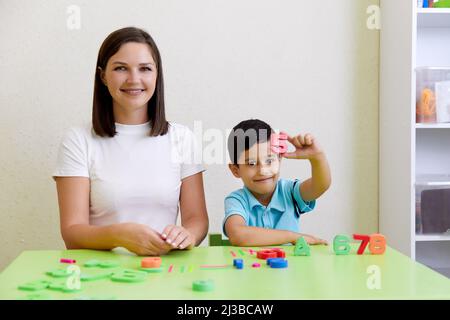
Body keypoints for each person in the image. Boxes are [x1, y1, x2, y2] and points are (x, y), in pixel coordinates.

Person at [53, 27, 208, 256]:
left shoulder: (182, 138)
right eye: (120, 68)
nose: (134, 79)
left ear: (157, 75)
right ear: (103, 76)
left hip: (166, 273)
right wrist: (119, 235)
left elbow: (196, 220)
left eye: (145, 68)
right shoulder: (78, 140)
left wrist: (188, 235)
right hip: (99, 276)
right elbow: (72, 233)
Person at [223, 119, 331, 246]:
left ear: (279, 159)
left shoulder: (289, 191)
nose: (263, 171)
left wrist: (317, 157)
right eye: (251, 163)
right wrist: (292, 237)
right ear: (236, 170)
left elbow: (320, 185)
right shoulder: (237, 200)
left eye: (269, 161)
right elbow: (238, 235)